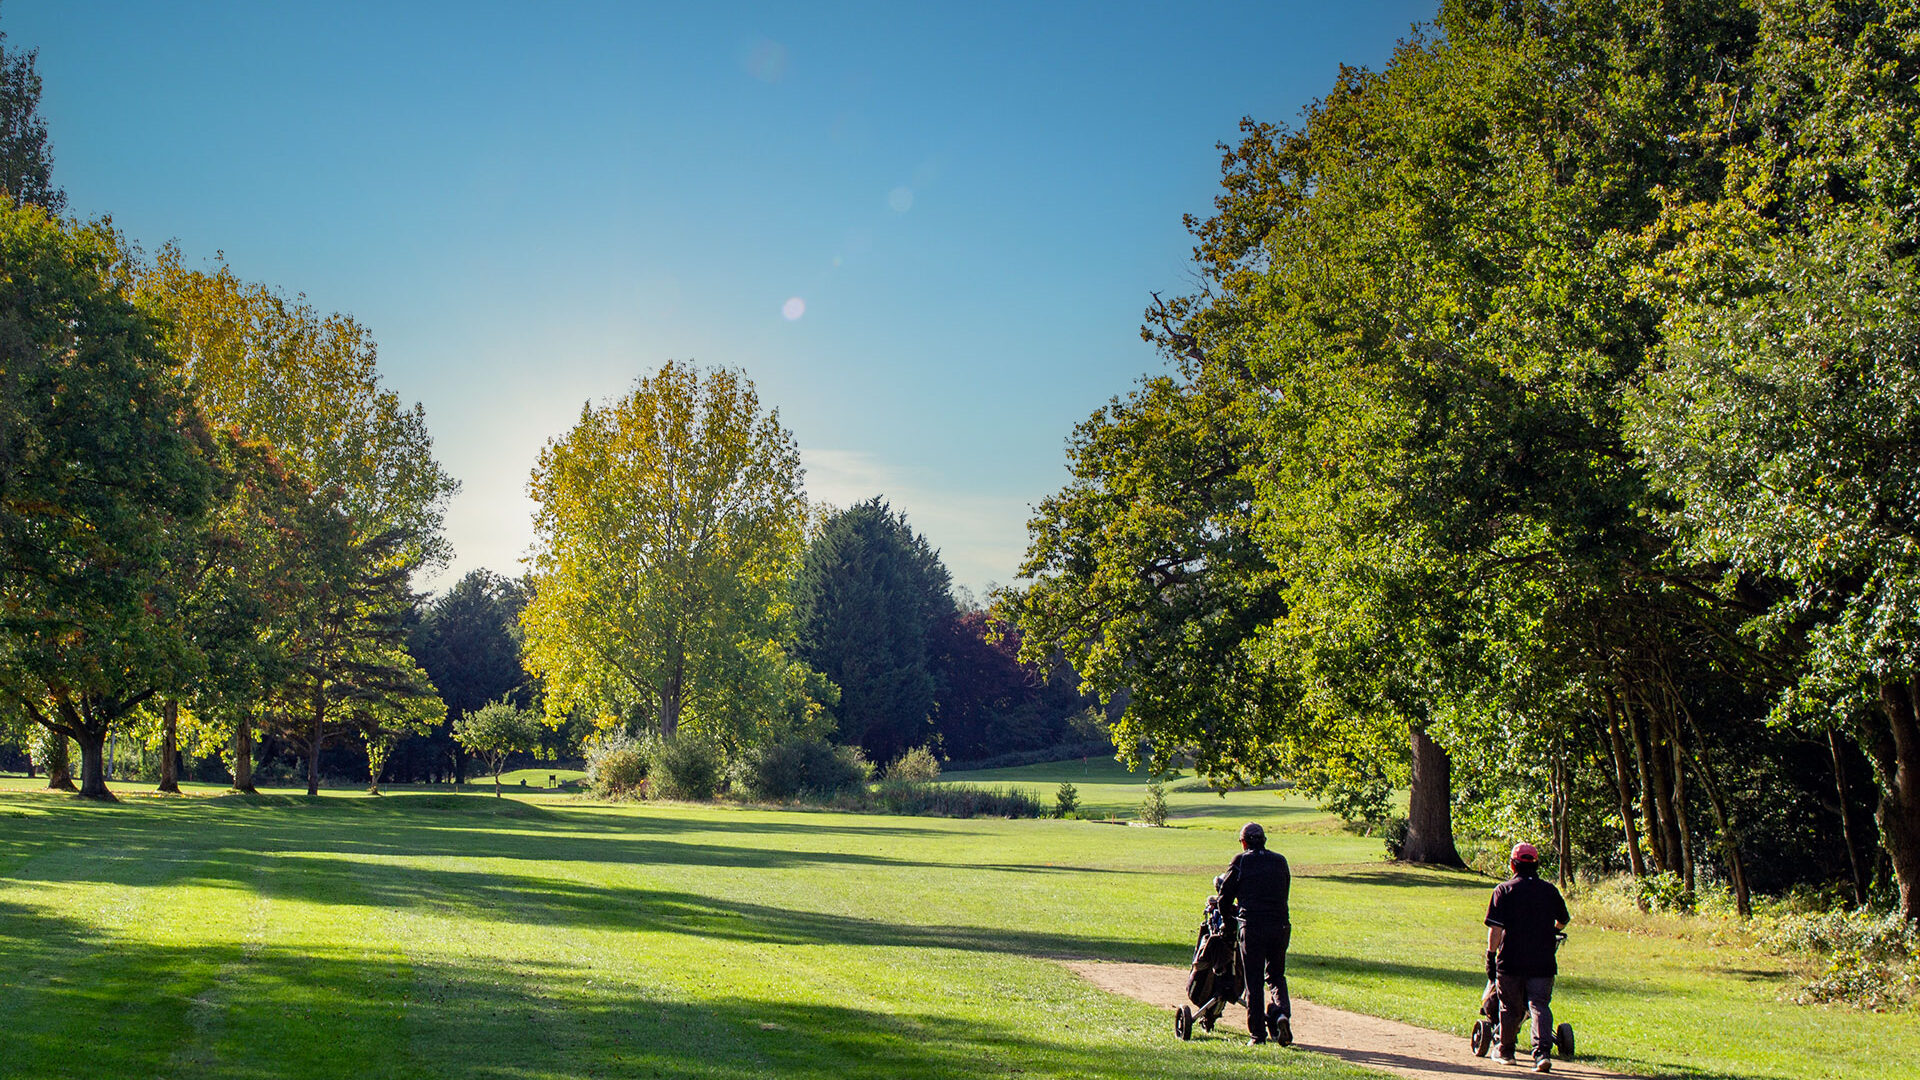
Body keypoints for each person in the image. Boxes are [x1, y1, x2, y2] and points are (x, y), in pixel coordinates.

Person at [1484, 842, 1571, 1073]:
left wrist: (1490, 956)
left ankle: (1506, 1050)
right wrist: (1551, 928)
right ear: (1536, 865)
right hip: (1542, 960)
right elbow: (1563, 920)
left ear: (1513, 864)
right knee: (1539, 1005)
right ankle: (1542, 1054)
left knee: (1510, 1007)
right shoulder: (1549, 890)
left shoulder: (1503, 890)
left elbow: (1495, 929)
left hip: (1511, 959)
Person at [1217, 821, 1292, 1047]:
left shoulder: (1241, 862)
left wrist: (1228, 923)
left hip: (1253, 927)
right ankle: (1281, 1014)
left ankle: (1257, 1034)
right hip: (1280, 926)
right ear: (1265, 841)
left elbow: (1224, 897)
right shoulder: (1280, 862)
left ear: (1243, 842)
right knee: (1276, 975)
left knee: (1254, 981)